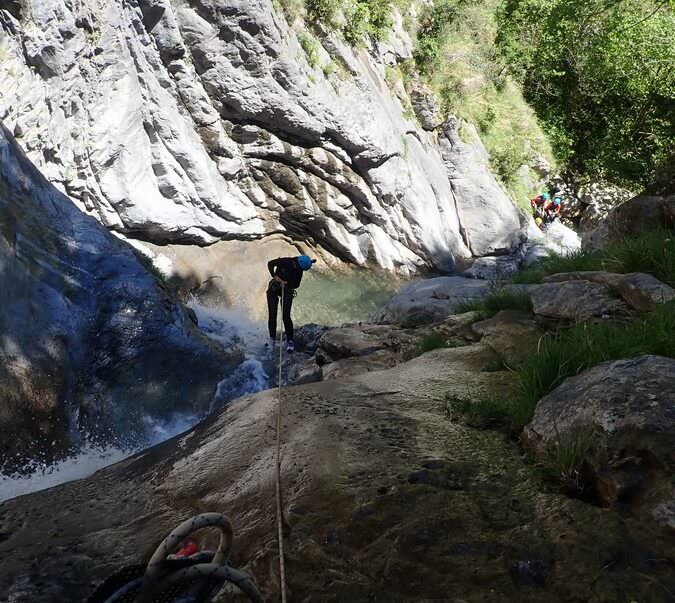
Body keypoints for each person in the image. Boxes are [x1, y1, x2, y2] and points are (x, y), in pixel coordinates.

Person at [267, 254, 315, 352]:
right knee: (272, 315)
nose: (301, 270)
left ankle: (290, 340)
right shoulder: (285, 261)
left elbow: (296, 285)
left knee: (286, 316)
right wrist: (275, 276)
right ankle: (272, 338)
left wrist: (287, 284)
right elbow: (270, 264)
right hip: (274, 288)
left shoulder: (299, 270)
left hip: (287, 290)